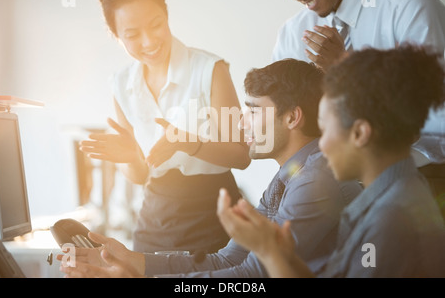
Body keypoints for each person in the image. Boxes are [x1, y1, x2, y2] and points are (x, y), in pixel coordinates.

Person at [59, 59, 362, 278]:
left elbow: (252, 276)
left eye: (253, 111)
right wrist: (137, 262)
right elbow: (226, 259)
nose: (241, 123)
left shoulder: (315, 180)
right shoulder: (288, 178)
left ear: (293, 118)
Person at [218, 46, 445, 277]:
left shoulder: (390, 218)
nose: (320, 145)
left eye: (325, 130)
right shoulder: (388, 197)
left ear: (359, 133)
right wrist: (278, 253)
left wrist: (269, 252)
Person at [79, 0, 251, 255]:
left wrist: (188, 143)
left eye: (156, 24)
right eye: (133, 34)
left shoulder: (210, 70)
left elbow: (241, 156)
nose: (149, 41)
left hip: (215, 215)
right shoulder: (121, 83)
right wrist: (130, 157)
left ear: (167, 15)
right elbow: (139, 176)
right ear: (117, 36)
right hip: (155, 221)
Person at [273, 0, 445, 212]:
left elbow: (430, 115)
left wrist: (345, 68)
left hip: (419, 185)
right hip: (323, 193)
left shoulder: (409, 8)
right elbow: (285, 122)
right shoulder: (293, 34)